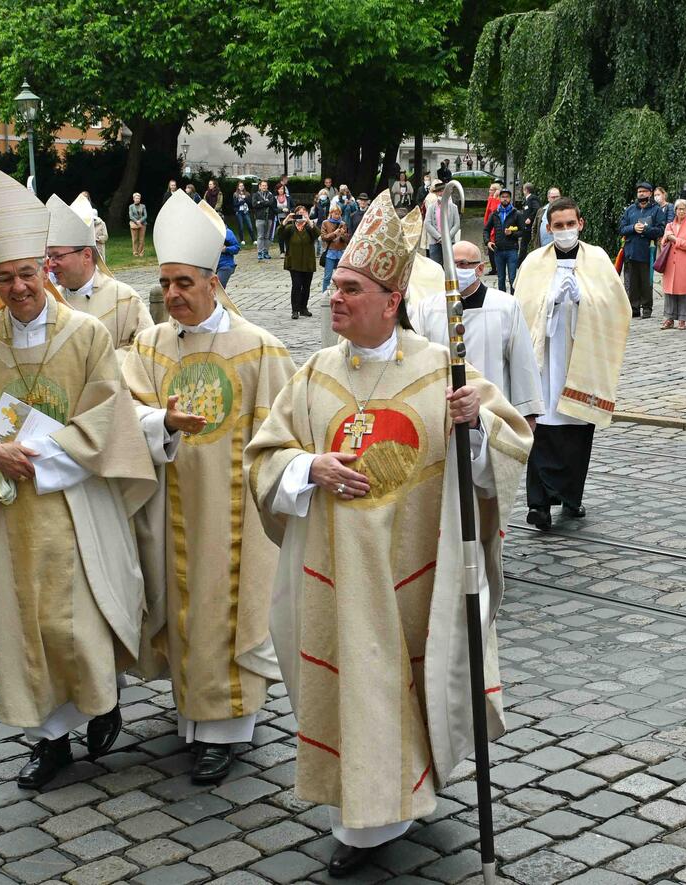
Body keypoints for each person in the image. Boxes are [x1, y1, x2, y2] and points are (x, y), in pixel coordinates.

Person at [245, 190, 531, 878]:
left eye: (349, 287)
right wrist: (307, 465)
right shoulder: (314, 374)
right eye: (334, 285)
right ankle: (363, 819)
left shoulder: (442, 371)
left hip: (416, 573)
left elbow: (506, 452)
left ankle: (400, 801)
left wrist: (477, 427)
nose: (333, 298)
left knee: (405, 683)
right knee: (359, 688)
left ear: (390, 299)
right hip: (339, 573)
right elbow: (264, 456)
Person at [0, 166, 156, 791]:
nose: (18, 286)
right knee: (24, 625)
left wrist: (40, 456)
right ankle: (49, 740)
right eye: (4, 278)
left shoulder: (85, 334)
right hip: (8, 509)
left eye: (28, 273)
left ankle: (102, 697)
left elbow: (108, 411)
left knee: (74, 621)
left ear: (46, 270)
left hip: (74, 502)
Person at [122, 189, 296, 784]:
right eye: (164, 283)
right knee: (178, 605)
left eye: (183, 284)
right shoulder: (148, 345)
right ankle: (192, 717)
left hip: (235, 513)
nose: (171, 296)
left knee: (226, 610)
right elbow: (124, 413)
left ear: (212, 281)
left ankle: (225, 731)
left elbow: (283, 432)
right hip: (168, 502)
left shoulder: (259, 348)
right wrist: (160, 423)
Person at [514, 196, 630, 531]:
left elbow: (617, 309)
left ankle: (570, 495)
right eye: (558, 226)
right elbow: (521, 308)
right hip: (547, 357)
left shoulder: (597, 259)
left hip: (583, 358)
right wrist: (548, 303)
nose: (564, 231)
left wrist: (584, 301)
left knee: (577, 428)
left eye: (570, 224)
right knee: (542, 425)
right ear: (548, 228)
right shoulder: (535, 262)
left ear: (581, 223)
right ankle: (539, 505)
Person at [413, 240, 544, 424]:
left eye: (463, 264)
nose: (456, 269)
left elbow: (521, 362)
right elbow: (419, 360)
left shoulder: (505, 306)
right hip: (444, 414)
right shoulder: (427, 308)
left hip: (493, 414)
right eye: (451, 264)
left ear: (480, 269)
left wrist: (527, 414)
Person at [45, 194, 152, 352]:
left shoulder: (123, 298)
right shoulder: (50, 303)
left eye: (57, 256)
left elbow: (146, 350)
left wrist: (99, 367)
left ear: (86, 256)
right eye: (49, 257)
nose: (51, 264)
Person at [618, 181, 665, 318]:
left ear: (650, 193)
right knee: (632, 282)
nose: (641, 194)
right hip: (631, 250)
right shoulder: (630, 210)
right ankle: (634, 308)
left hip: (647, 251)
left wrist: (645, 229)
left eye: (644, 191)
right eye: (639, 192)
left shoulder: (656, 210)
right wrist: (633, 228)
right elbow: (622, 229)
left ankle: (646, 308)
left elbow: (661, 229)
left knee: (646, 281)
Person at [660, 199, 686, 330]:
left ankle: (683, 319)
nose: (681, 211)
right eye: (678, 209)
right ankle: (669, 318)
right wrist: (666, 238)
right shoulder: (669, 225)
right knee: (669, 291)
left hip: (684, 263)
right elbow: (663, 243)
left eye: (683, 209)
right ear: (675, 210)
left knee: (683, 292)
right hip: (670, 262)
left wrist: (675, 239)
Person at [278, 204, 320, 319]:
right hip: (294, 262)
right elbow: (279, 234)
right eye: (299, 213)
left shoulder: (309, 227)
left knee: (306, 286)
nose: (301, 215)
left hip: (308, 262)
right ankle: (295, 310)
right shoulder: (290, 228)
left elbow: (317, 234)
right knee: (296, 286)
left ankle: (303, 308)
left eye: (303, 213)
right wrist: (287, 219)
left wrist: (309, 220)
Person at [483, 188, 524, 293]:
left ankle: (514, 299)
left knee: (512, 278)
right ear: (499, 198)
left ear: (510, 198)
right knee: (500, 278)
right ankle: (502, 300)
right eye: (503, 197)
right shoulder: (495, 214)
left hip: (512, 250)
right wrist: (487, 241)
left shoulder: (516, 213)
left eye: (507, 197)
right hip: (498, 250)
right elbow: (486, 229)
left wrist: (512, 234)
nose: (505, 199)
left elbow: (523, 231)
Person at [423, 181, 459, 266]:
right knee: (436, 266)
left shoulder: (453, 207)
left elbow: (456, 224)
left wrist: (447, 237)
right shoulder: (431, 207)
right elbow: (427, 223)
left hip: (449, 241)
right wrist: (439, 237)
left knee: (449, 265)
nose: (441, 193)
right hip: (435, 241)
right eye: (438, 191)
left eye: (443, 191)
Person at [319, 204, 348, 294]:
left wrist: (343, 234)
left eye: (339, 213)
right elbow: (323, 237)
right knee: (327, 276)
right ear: (331, 213)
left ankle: (341, 294)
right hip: (330, 252)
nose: (337, 215)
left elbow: (346, 240)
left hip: (340, 252)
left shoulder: (343, 224)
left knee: (341, 276)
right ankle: (324, 294)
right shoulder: (325, 223)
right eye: (335, 213)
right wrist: (334, 234)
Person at [252, 180, 277, 260]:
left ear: (267, 186)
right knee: (260, 236)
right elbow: (254, 204)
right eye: (263, 185)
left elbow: (271, 203)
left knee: (267, 236)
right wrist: (264, 202)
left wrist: (261, 203)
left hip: (269, 217)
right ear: (260, 186)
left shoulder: (270, 195)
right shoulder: (256, 195)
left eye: (265, 185)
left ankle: (266, 252)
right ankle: (260, 252)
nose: (264, 187)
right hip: (259, 218)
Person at [519, 182, 541, 260]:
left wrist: (530, 218)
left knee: (524, 244)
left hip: (530, 227)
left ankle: (520, 262)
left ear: (526, 190)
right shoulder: (527, 199)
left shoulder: (532, 198)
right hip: (526, 227)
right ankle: (521, 261)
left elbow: (537, 209)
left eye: (523, 190)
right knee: (523, 244)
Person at [216, 225, 240, 290]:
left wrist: (226, 249)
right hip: (210, 267)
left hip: (225, 265)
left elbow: (236, 248)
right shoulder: (207, 232)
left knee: (218, 289)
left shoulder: (227, 232)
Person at [310, 189, 332, 258]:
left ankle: (325, 252)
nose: (323, 195)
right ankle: (318, 253)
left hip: (327, 222)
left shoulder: (329, 203)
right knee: (318, 238)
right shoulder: (317, 204)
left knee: (325, 238)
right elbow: (315, 214)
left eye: (324, 194)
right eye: (322, 194)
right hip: (319, 223)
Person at [274, 183, 293, 255]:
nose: (281, 190)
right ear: (277, 190)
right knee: (280, 235)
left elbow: (293, 206)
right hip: (279, 219)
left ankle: (288, 250)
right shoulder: (275, 198)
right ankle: (282, 251)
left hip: (288, 218)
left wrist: (289, 210)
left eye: (282, 189)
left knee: (288, 234)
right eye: (279, 189)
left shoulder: (288, 197)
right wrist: (281, 210)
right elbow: (274, 209)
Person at [128, 193, 148, 257]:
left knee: (141, 239)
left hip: (143, 224)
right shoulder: (131, 206)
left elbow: (145, 215)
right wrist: (136, 221)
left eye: (139, 198)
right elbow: (131, 216)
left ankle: (141, 252)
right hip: (134, 224)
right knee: (135, 239)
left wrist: (140, 221)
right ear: (133, 199)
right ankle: (135, 252)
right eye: (136, 198)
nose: (137, 199)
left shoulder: (143, 206)